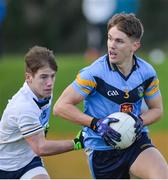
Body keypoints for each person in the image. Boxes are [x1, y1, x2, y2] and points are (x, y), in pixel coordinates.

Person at [53, 13, 168, 179]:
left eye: (119, 41)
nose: (111, 46)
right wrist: (97, 124)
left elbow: (157, 110)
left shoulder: (147, 72)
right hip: (102, 151)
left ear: (135, 46)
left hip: (135, 141)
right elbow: (60, 107)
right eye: (109, 38)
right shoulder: (94, 73)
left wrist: (140, 121)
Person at [0, 46, 83, 179]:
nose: (50, 83)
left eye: (52, 76)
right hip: (4, 167)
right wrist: (77, 143)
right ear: (29, 77)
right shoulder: (24, 107)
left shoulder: (43, 93)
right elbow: (41, 147)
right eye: (44, 77)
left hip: (29, 162)